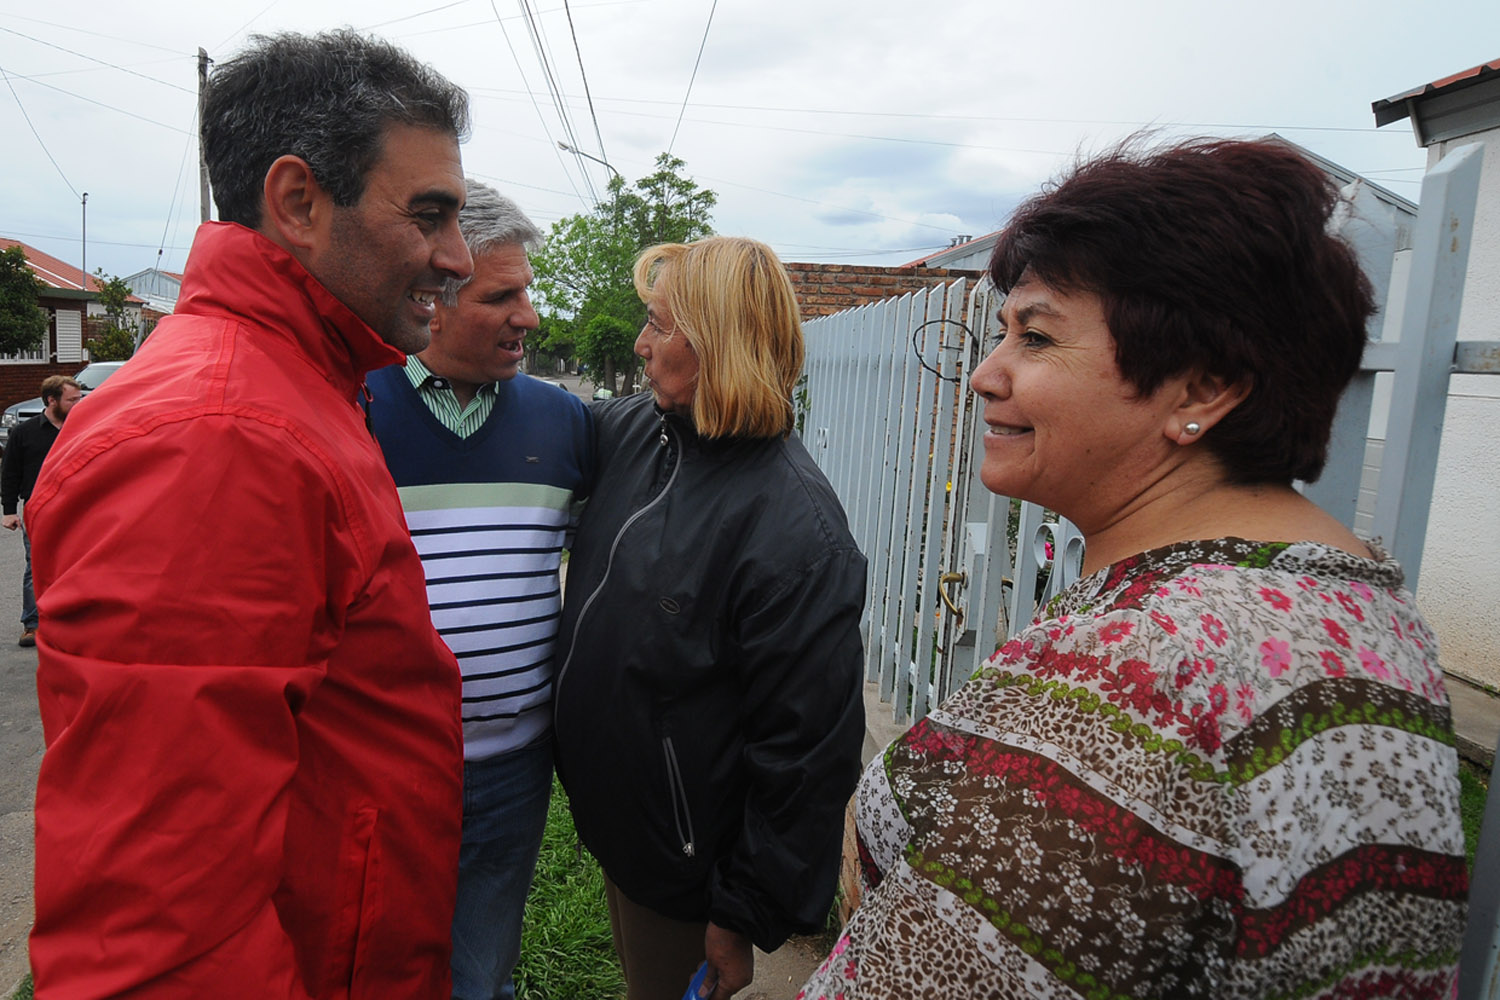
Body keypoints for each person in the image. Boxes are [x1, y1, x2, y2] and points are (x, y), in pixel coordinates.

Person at [798, 137, 1469, 999]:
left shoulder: (1143, 669)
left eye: (1035, 336)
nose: (984, 374)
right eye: (999, 333)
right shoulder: (1359, 605)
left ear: (1201, 387)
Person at [26, 31, 474, 998]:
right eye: (430, 213)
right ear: (299, 203)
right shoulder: (221, 436)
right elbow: (156, 932)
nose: (458, 256)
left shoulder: (290, 389)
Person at [554, 236, 867, 1000]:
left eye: (660, 325)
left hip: (689, 873)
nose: (640, 342)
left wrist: (742, 911)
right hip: (626, 831)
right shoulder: (640, 432)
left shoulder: (796, 530)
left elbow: (807, 754)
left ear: (717, 342)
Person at [367, 178, 593, 1000]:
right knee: (382, 968)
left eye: (526, 292)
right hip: (382, 775)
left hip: (513, 772)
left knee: (478, 970)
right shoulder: (355, 405)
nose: (529, 317)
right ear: (435, 301)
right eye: (504, 296)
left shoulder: (563, 421)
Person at [1, 375, 81, 647]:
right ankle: (32, 624)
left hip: (76, 506)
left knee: (75, 564)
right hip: (39, 508)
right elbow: (9, 473)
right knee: (35, 566)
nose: (77, 404)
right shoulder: (24, 433)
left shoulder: (81, 428)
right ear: (51, 400)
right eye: (72, 400)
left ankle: (70, 621)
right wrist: (9, 510)